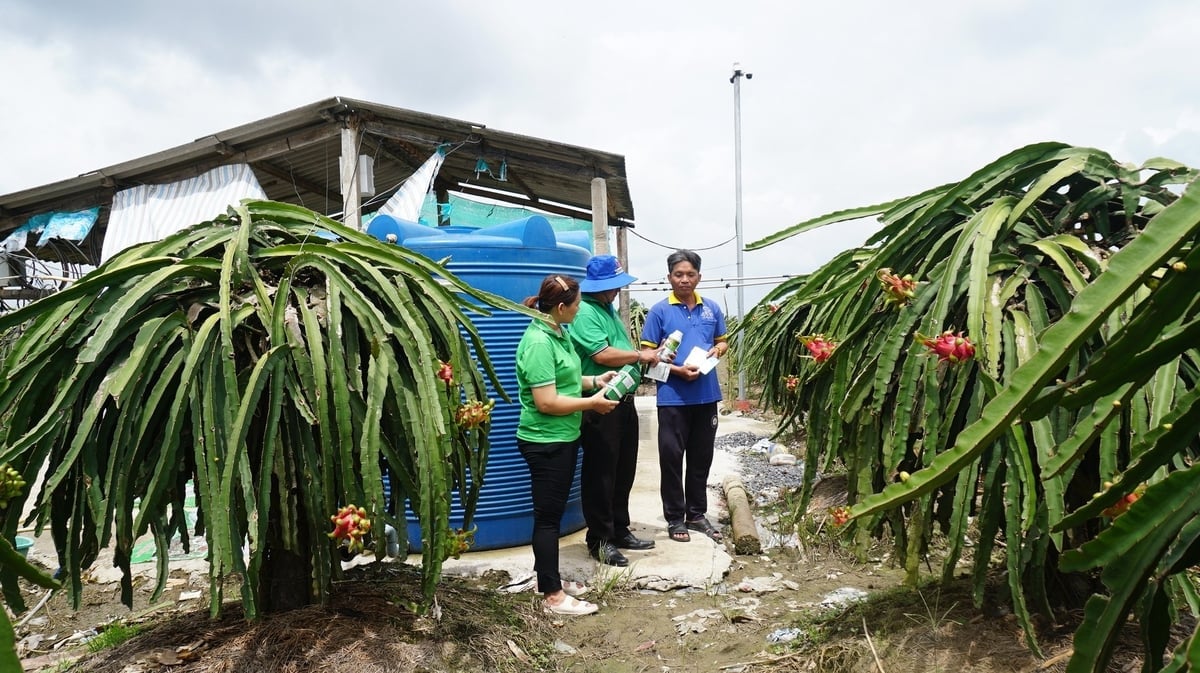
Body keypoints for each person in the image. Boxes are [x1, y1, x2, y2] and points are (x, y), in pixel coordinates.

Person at [515, 274, 620, 616]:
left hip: (563, 437)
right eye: (576, 305)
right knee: (548, 519)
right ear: (561, 307)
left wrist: (595, 380)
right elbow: (546, 401)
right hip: (546, 441)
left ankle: (548, 579)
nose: (579, 310)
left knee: (552, 515)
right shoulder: (539, 343)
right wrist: (592, 404)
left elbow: (566, 380)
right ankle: (553, 596)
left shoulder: (558, 333)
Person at [570, 255, 663, 567]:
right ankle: (600, 539)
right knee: (601, 474)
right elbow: (603, 355)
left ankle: (619, 528)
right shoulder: (585, 312)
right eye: (613, 286)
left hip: (623, 402)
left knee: (623, 469)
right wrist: (640, 356)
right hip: (600, 403)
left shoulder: (606, 308)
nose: (617, 291)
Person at [639, 250, 730, 544]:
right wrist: (678, 371)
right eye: (678, 274)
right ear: (669, 277)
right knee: (672, 459)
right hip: (673, 398)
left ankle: (696, 514)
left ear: (699, 277)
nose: (684, 280)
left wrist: (718, 350)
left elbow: (722, 341)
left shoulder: (711, 309)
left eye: (690, 274)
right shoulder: (659, 312)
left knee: (701, 458)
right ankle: (675, 517)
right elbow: (647, 356)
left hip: (706, 396)